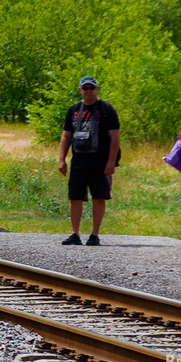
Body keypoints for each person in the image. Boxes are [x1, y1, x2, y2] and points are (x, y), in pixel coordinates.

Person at [57, 75, 121, 246]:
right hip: (78, 161)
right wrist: (61, 160)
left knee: (99, 197)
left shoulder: (106, 110)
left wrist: (111, 162)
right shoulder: (74, 109)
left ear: (96, 89)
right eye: (85, 88)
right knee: (75, 197)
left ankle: (94, 234)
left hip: (99, 162)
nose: (88, 91)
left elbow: (115, 137)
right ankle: (75, 234)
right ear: (80, 90)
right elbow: (66, 136)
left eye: (91, 88)